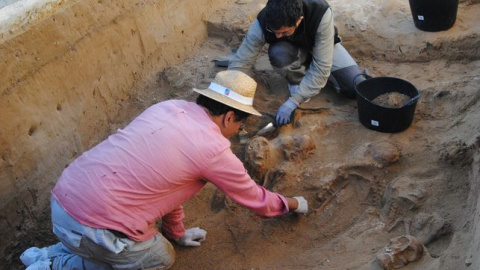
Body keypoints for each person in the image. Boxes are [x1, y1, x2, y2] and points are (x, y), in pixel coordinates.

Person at [20, 70, 308, 270]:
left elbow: (168, 186)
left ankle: (45, 253)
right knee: (159, 258)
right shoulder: (215, 151)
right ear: (229, 116)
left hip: (63, 199)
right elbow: (258, 201)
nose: (237, 132)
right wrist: (294, 203)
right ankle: (59, 264)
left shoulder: (168, 108)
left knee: (106, 233)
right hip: (93, 226)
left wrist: (177, 231)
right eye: (239, 126)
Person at [228, 0, 366, 126]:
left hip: (320, 46)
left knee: (355, 87)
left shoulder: (320, 12)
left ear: (299, 20)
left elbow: (322, 67)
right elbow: (241, 61)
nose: (277, 36)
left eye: (284, 32)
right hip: (289, 50)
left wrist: (294, 101)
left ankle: (310, 76)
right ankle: (297, 78)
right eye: (274, 32)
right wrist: (227, 93)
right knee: (279, 54)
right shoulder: (263, 21)